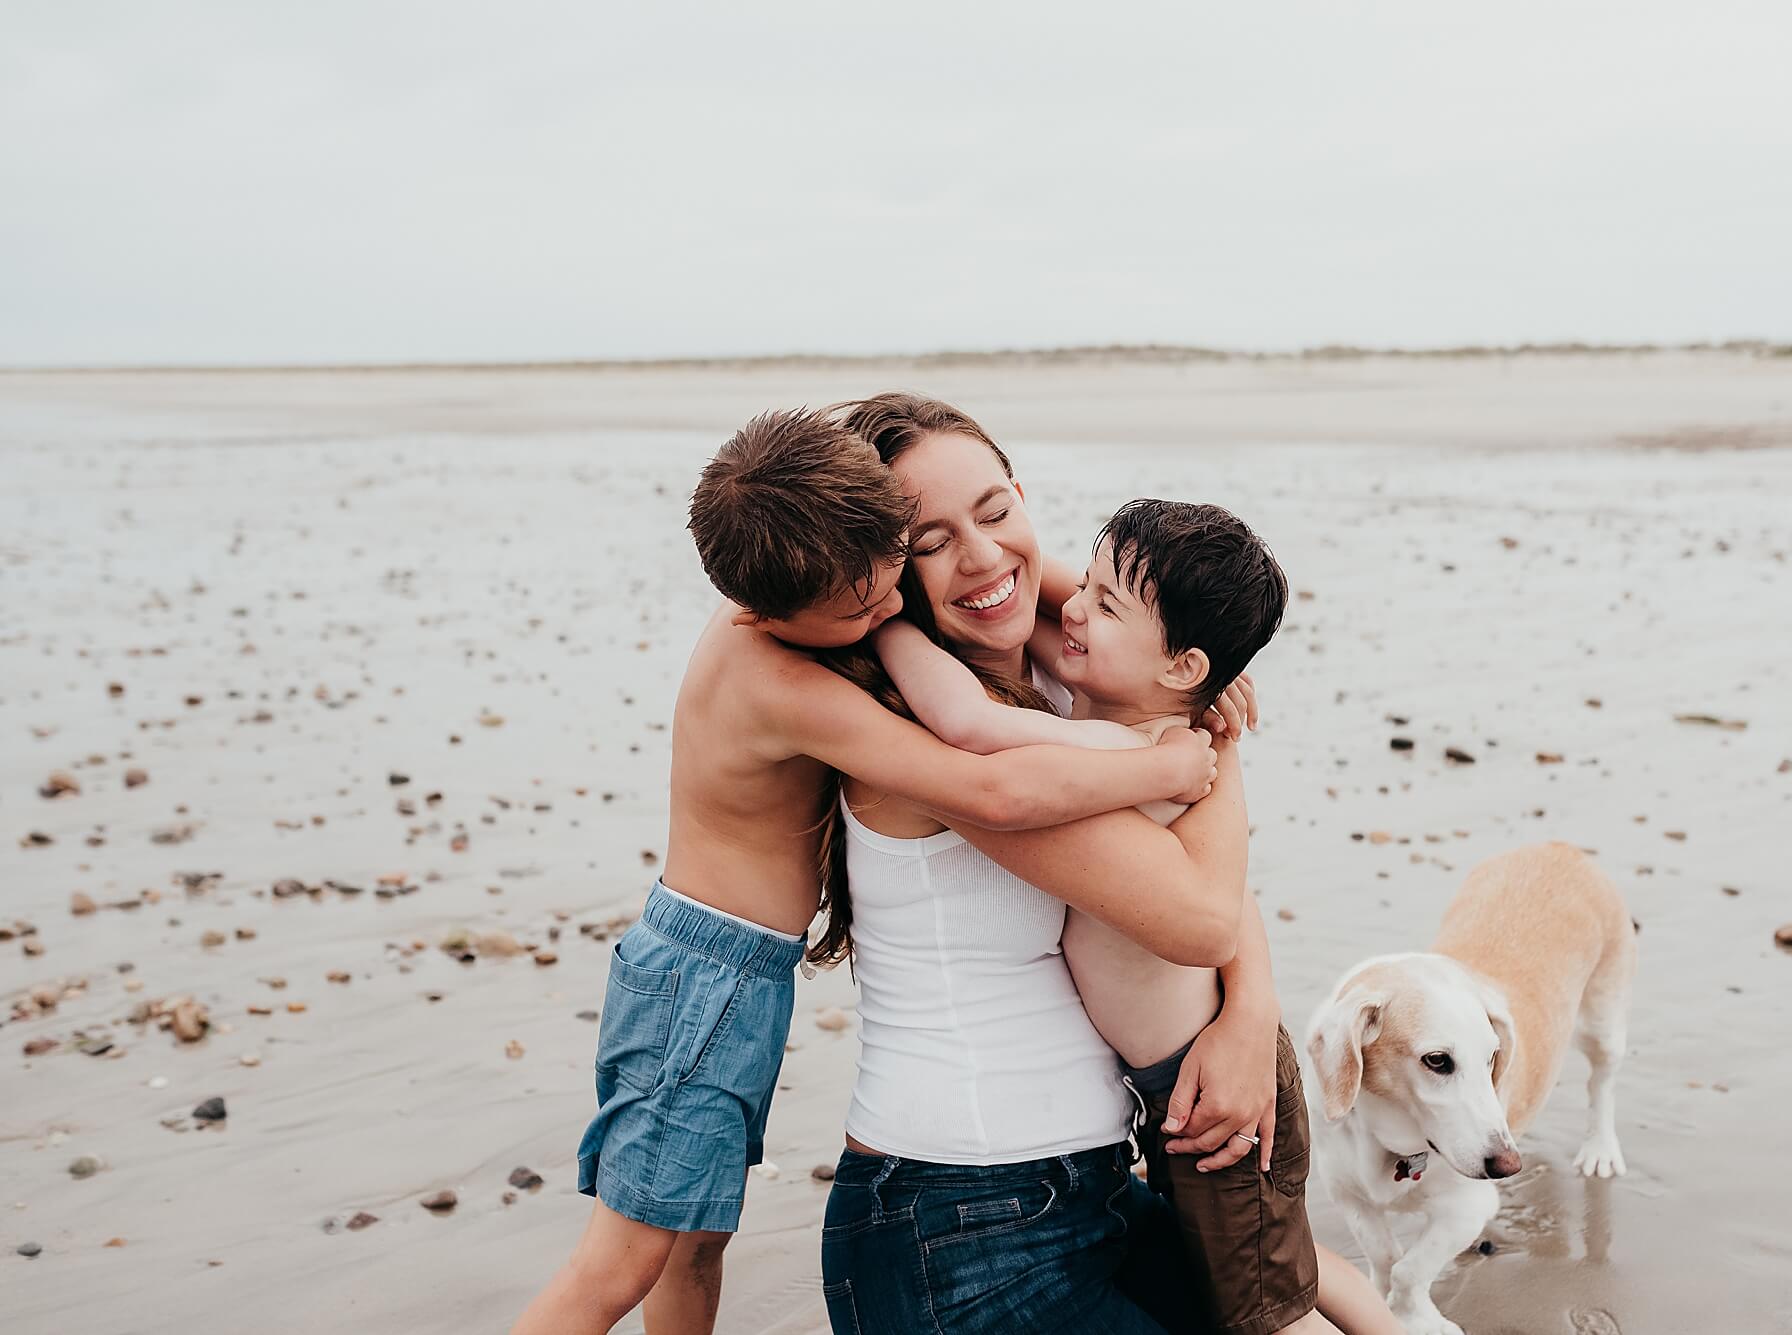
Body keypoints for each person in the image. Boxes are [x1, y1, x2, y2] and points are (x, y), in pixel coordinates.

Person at [510, 407, 1216, 1335]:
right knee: (629, 1253)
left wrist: (1186, 673)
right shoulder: (790, 678)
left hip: (747, 974)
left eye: (889, 575)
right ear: (770, 614)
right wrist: (1171, 757)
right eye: (870, 601)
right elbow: (988, 785)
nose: (885, 612)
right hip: (708, 975)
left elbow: (1010, 560)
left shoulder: (821, 573)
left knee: (694, 1239)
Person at [817, 393, 1293, 1334]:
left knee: (1296, 1299)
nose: (984, 556)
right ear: (882, 567)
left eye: (996, 512)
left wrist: (1253, 1009)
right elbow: (1194, 911)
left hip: (1093, 1189)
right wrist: (1203, 734)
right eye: (929, 540)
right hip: (960, 1219)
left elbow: (1198, 863)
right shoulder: (936, 735)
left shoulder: (1058, 668)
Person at [876, 497, 1400, 1334]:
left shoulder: (1162, 756)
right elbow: (1048, 602)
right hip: (1176, 1092)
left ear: (1184, 666)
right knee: (1273, 1272)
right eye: (1081, 585)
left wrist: (891, 627)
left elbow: (974, 730)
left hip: (1214, 1095)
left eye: (1103, 604)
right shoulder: (1119, 702)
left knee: (1264, 1314)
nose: (1071, 608)